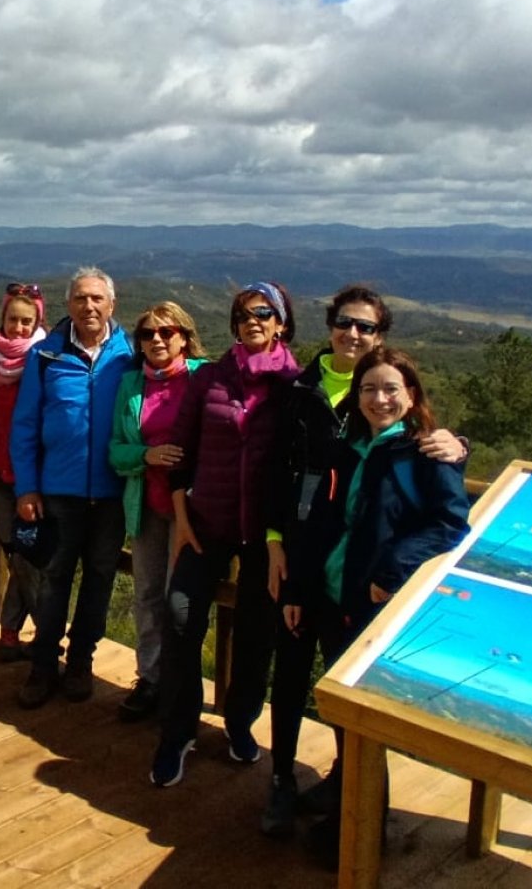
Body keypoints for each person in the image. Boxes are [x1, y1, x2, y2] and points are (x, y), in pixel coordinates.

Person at [265, 341, 472, 849]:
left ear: (411, 394)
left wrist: (391, 569)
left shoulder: (423, 452)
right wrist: (298, 589)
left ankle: (364, 831)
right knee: (342, 712)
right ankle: (350, 813)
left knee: (364, 717)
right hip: (329, 595)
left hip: (374, 603)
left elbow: (450, 524)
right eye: (369, 389)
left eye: (390, 389)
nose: (379, 399)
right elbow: (319, 523)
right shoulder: (349, 447)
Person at [149, 282, 302, 786]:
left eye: (263, 312)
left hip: (263, 535)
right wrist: (182, 517)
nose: (252, 320)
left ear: (281, 322)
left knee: (258, 637)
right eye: (243, 313)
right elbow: (180, 450)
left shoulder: (294, 387)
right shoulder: (210, 378)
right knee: (179, 618)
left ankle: (239, 723)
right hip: (206, 523)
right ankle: (179, 730)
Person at [9, 267, 134, 709]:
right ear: (68, 306)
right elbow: (24, 425)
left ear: (112, 305)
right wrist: (27, 488)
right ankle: (43, 664)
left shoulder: (130, 356)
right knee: (54, 580)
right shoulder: (45, 355)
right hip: (58, 491)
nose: (89, 306)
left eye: (98, 298)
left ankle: (81, 661)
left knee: (99, 580)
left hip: (112, 494)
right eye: (81, 298)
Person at [107, 302, 207, 722]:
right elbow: (116, 450)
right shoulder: (132, 384)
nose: (158, 340)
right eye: (148, 334)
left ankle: (179, 685)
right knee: (147, 597)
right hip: (147, 508)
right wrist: (147, 455)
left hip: (192, 512)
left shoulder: (205, 378)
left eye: (167, 332)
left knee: (178, 603)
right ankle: (150, 678)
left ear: (185, 335)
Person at [0, 283, 49, 662]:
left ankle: (28, 632)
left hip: (33, 477)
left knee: (29, 555)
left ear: (38, 322)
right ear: (2, 319)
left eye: (26, 321)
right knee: (17, 554)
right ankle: (21, 632)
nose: (19, 328)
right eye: (13, 320)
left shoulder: (46, 360)